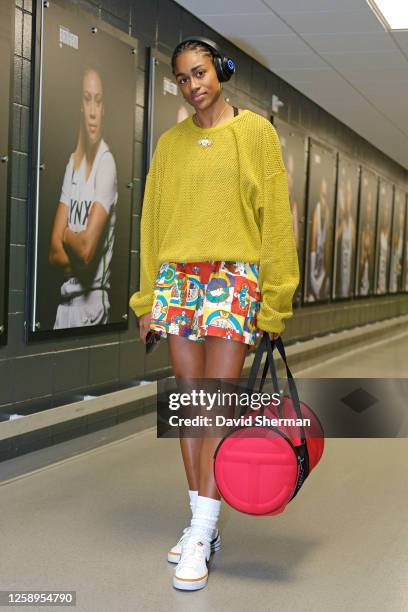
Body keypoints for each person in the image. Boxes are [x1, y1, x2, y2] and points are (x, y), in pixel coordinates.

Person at [129, 37, 299, 591]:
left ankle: (201, 533)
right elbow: (152, 224)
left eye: (199, 73)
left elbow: (275, 220)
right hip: (178, 280)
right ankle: (202, 520)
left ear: (219, 72)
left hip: (232, 277)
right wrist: (147, 301)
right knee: (190, 405)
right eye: (181, 78)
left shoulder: (254, 134)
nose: (192, 85)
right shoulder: (170, 144)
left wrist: (275, 300)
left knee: (216, 408)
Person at [49, 67, 118, 328]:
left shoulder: (106, 164)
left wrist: (66, 233)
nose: (92, 112)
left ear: (104, 109)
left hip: (91, 309)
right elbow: (53, 253)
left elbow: (87, 252)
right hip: (63, 307)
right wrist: (74, 256)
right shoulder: (72, 164)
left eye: (98, 101)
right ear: (80, 105)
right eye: (87, 99)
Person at [309, 177, 330, 300]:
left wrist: (325, 273)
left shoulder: (327, 212)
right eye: (322, 196)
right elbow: (313, 245)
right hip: (315, 269)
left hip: (322, 270)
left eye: (326, 197)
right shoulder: (315, 212)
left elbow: (326, 245)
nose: (324, 201)